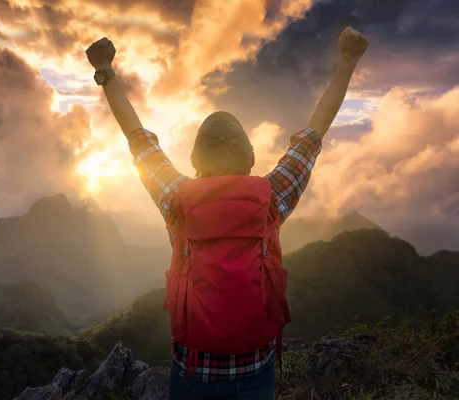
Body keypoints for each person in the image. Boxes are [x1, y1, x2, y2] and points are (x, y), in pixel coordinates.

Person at [86, 26, 369, 400]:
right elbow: (314, 134)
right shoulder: (271, 199)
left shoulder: (176, 198)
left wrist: (105, 71)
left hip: (192, 368)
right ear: (250, 158)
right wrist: (348, 60)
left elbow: (137, 138)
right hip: (255, 367)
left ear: (195, 159)